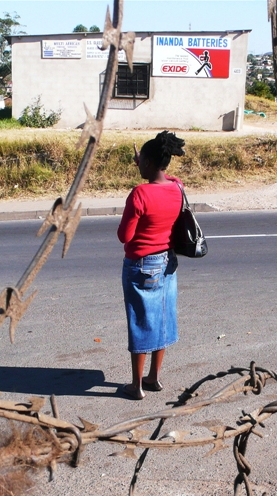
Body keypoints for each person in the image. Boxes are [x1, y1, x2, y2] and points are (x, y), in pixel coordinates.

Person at [117, 131, 186, 400]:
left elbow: (125, 236)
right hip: (168, 262)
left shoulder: (139, 194)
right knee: (163, 318)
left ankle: (136, 386)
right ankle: (154, 378)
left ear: (146, 162)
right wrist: (145, 162)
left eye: (141, 162)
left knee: (141, 322)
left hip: (142, 265)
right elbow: (167, 177)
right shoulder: (177, 186)